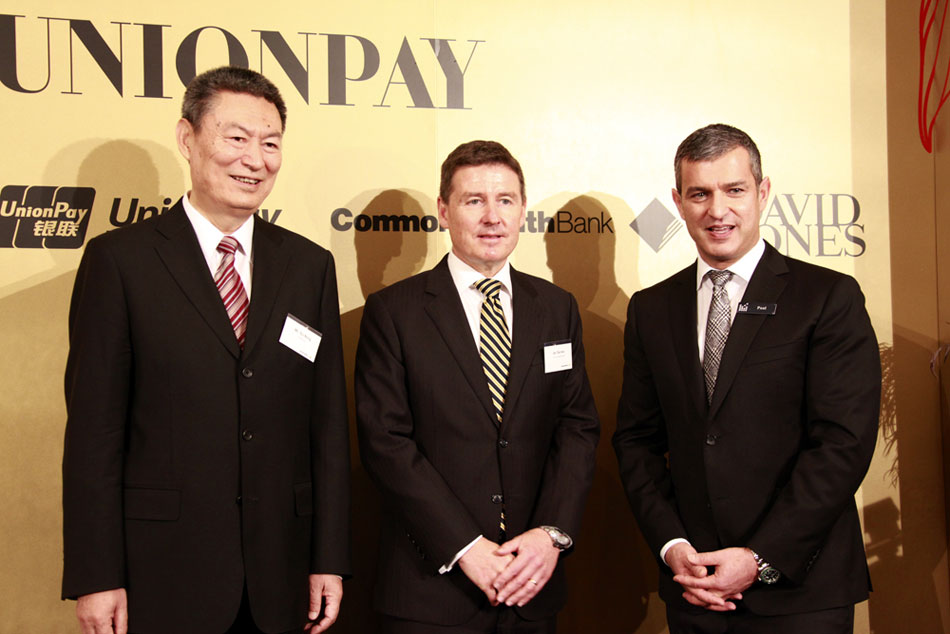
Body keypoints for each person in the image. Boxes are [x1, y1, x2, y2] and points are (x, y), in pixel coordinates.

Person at [62, 66, 350, 634]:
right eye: (236, 138)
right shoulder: (121, 262)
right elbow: (94, 433)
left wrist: (329, 559)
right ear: (187, 139)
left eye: (270, 143)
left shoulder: (309, 266)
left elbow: (328, 428)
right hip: (162, 571)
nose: (255, 158)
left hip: (282, 570)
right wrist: (96, 573)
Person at [613, 123, 880, 633]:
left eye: (734, 190)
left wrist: (759, 557)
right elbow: (636, 441)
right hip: (695, 587)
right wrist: (673, 546)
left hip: (802, 591)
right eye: (700, 193)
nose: (718, 211)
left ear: (763, 192)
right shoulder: (651, 310)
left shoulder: (827, 297)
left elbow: (842, 444)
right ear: (678, 200)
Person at [355, 140, 600, 633]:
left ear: (522, 210)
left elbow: (577, 428)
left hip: (532, 585)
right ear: (444, 212)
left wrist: (550, 535)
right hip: (432, 591)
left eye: (505, 200)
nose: (493, 216)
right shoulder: (394, 312)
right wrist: (466, 547)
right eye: (474, 201)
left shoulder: (556, 307)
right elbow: (385, 442)